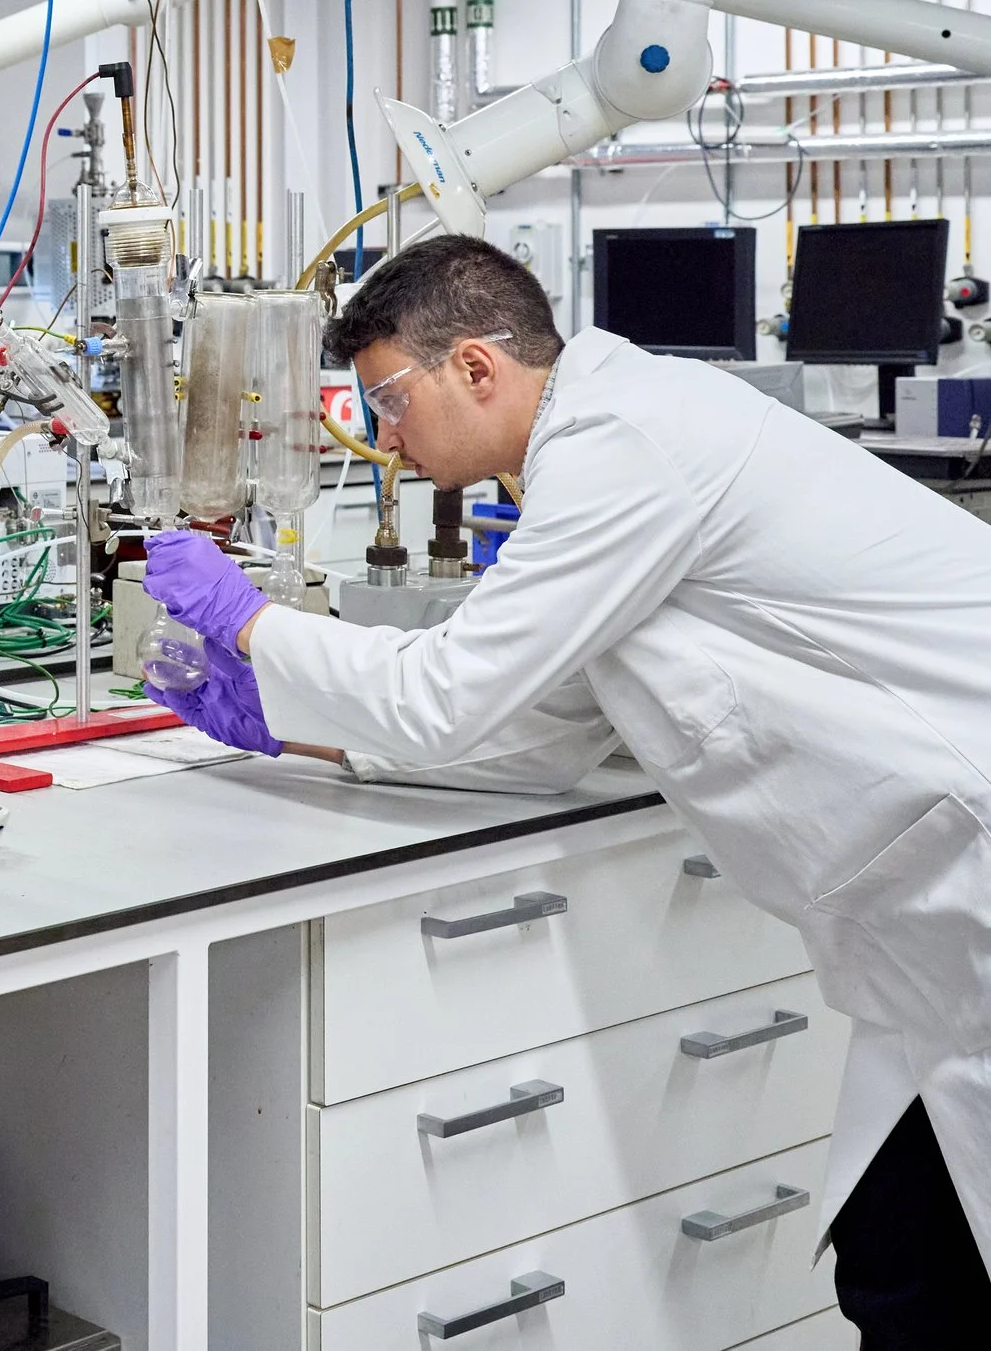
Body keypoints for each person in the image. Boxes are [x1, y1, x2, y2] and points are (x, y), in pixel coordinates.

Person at [140, 236, 991, 1343]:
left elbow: (449, 693)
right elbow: (545, 729)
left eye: (391, 398)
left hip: (965, 886)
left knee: (919, 1275)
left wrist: (254, 617)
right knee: (899, 1258)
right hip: (927, 935)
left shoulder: (623, 443)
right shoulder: (604, 451)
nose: (384, 434)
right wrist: (307, 736)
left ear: (478, 368)